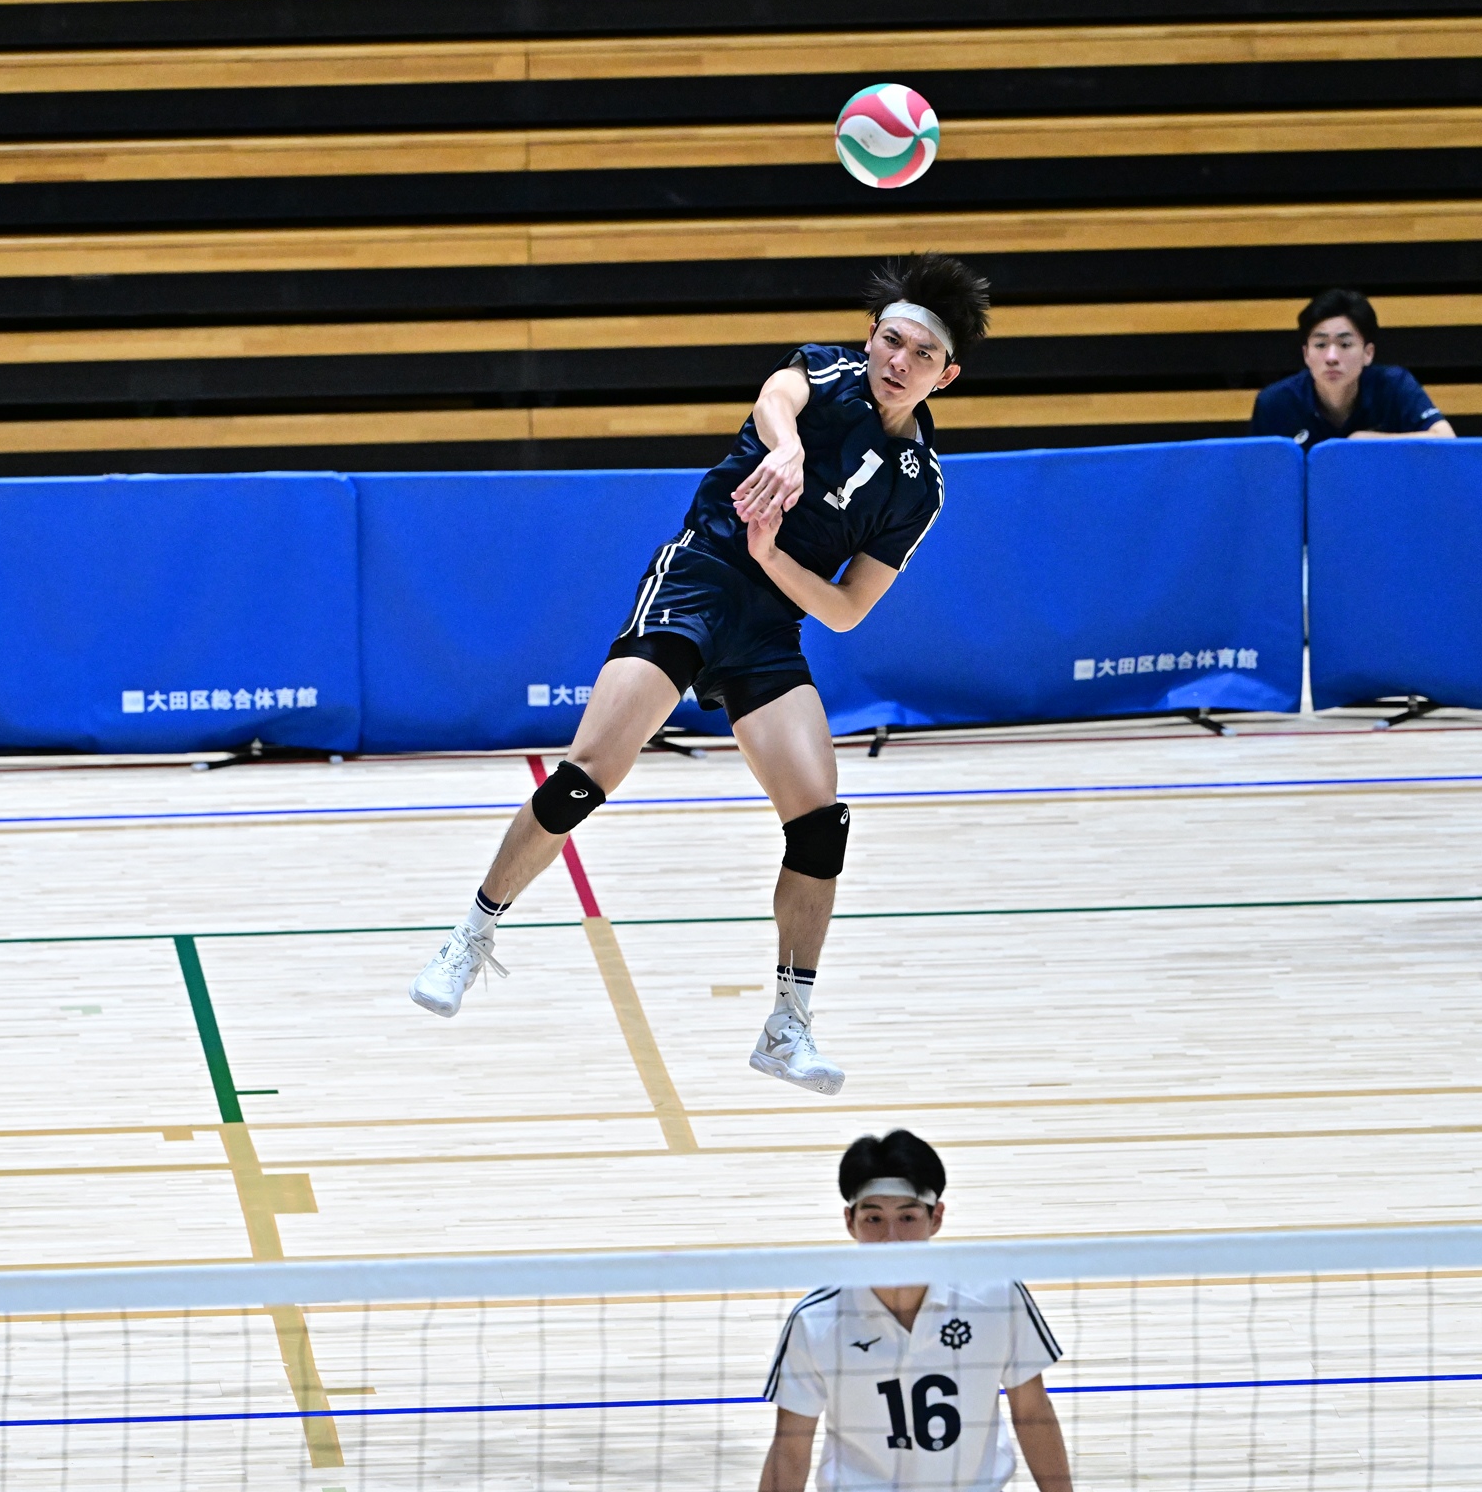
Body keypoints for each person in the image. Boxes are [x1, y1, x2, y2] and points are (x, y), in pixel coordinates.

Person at [408, 253, 992, 1094]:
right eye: (890, 341)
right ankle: (470, 937)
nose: (898, 361)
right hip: (700, 579)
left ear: (947, 375)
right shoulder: (825, 374)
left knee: (821, 823)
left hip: (771, 621)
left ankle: (787, 1027)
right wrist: (786, 452)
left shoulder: (919, 486)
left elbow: (845, 609)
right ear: (871, 337)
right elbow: (775, 396)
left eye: (921, 354)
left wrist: (774, 557)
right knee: (585, 776)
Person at [759, 1131, 1072, 1492]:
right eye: (874, 1220)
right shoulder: (816, 1321)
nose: (891, 1238)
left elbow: (1032, 1413)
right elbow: (790, 1449)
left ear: (935, 1217)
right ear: (850, 1221)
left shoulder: (996, 1296)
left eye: (907, 1217)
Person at [1248, 289, 1454, 445]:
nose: (1331, 357)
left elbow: (1446, 439)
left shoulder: (1394, 386)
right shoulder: (1274, 403)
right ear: (1306, 354)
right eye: (1320, 345)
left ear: (1368, 353)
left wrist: (1367, 442)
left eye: (1345, 345)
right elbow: (1257, 475)